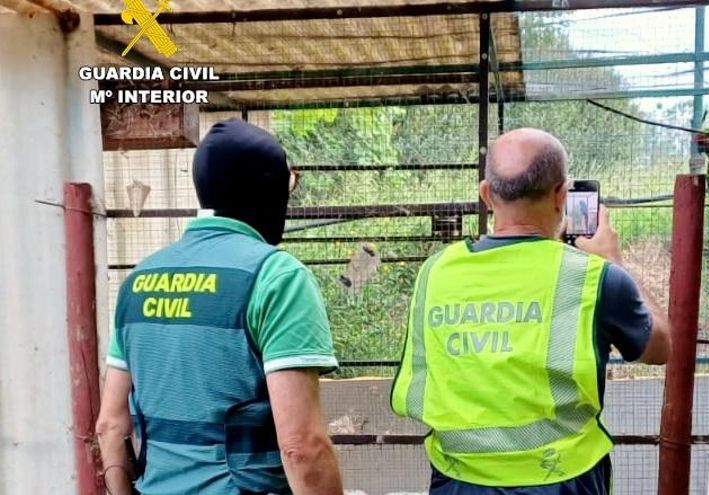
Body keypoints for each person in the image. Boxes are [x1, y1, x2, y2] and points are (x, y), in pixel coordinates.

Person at [391, 128, 671, 495]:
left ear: (487, 195)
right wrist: (613, 261)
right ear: (561, 196)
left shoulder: (435, 272)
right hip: (562, 481)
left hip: (458, 481)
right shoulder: (593, 278)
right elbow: (662, 347)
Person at [96, 119, 343, 495]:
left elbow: (110, 427)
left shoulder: (138, 281)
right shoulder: (276, 276)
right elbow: (302, 447)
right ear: (269, 188)